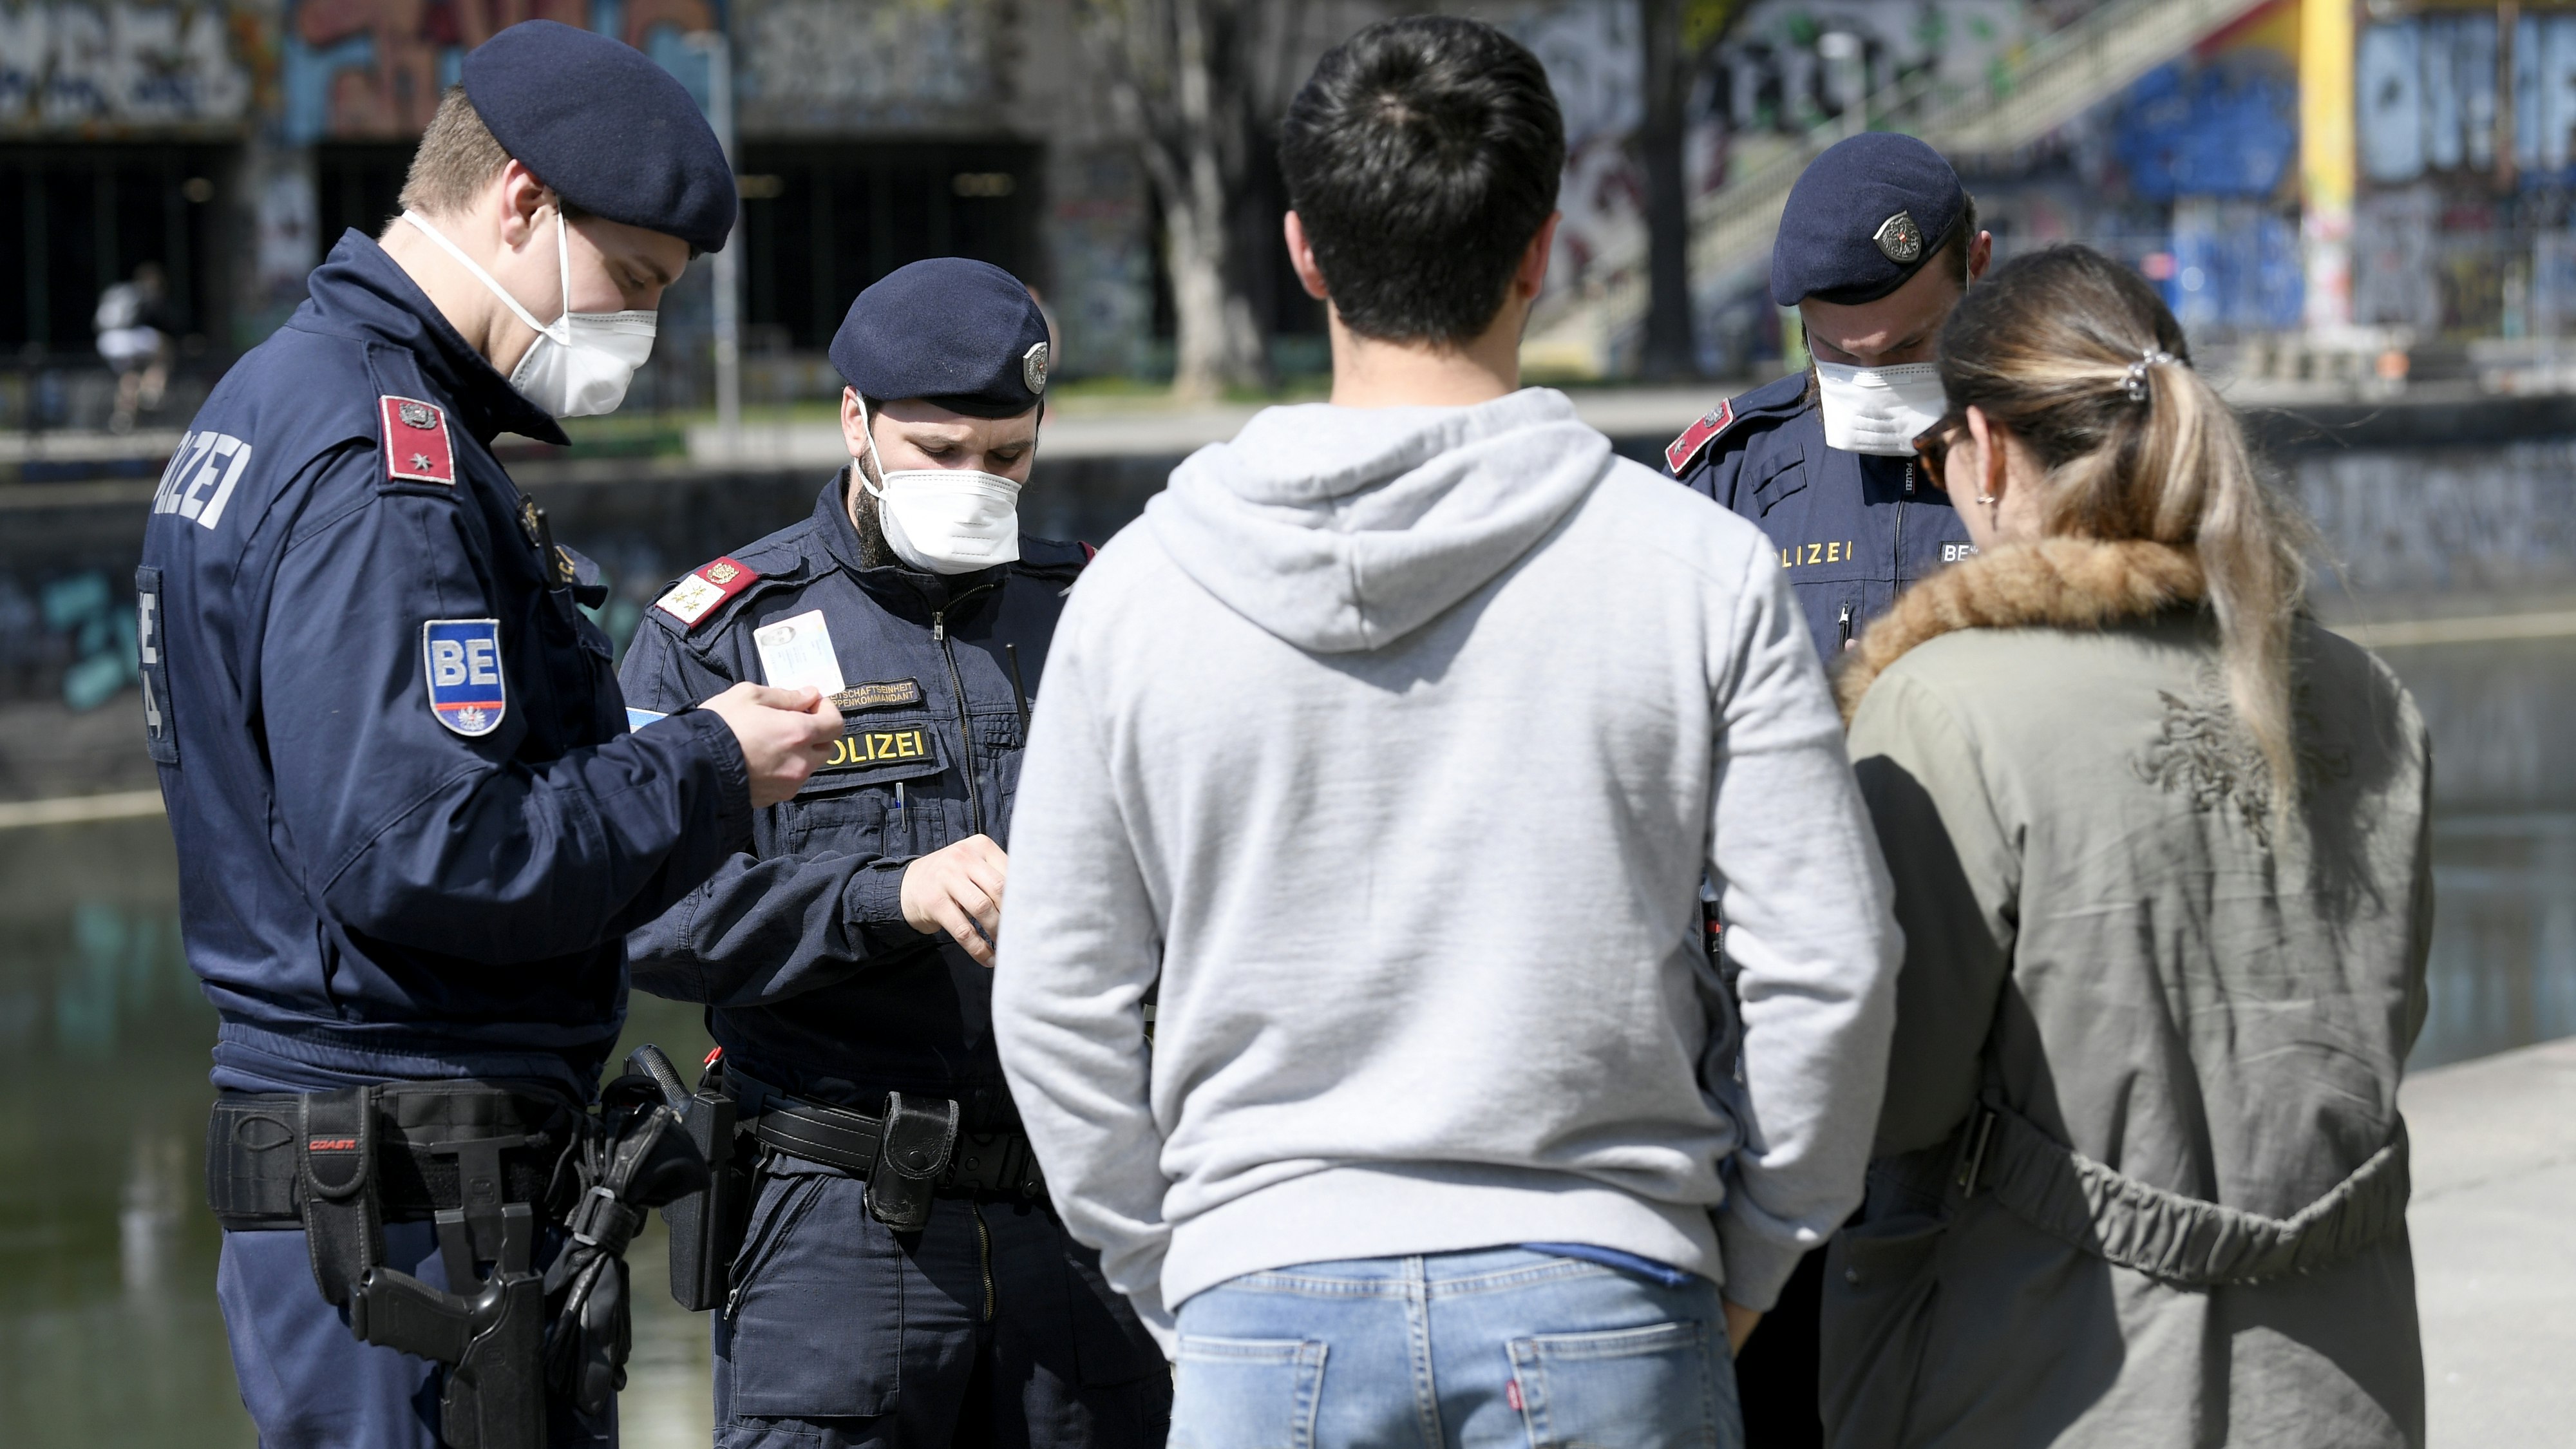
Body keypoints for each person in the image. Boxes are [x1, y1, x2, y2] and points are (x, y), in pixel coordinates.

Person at [990, 17, 1902, 1449]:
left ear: (1301, 250)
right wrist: (1755, 1251)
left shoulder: (1137, 593)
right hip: (1610, 1290)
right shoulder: (1694, 569)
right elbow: (1829, 969)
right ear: (1541, 247)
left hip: (1258, 1299)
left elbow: (1053, 1000)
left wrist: (1177, 1275)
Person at [144, 21, 842, 1449]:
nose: (639, 334)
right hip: (400, 1199)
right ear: (520, 200)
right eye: (634, 284)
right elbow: (426, 848)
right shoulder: (381, 469)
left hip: (380, 1176)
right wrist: (704, 765)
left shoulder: (282, 398)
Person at [1822, 245, 2430, 1448]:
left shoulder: (1946, 706)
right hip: (2344, 1380)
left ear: (1987, 450)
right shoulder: (2367, 696)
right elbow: (2379, 1028)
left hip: (2057, 1377)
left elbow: (1894, 1100)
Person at [620, 258, 1171, 1449]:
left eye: (1006, 456)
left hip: (1082, 1213)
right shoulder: (729, 637)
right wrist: (889, 896)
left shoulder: (1101, 612)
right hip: (836, 1223)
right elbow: (644, 916)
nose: (975, 483)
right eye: (937, 450)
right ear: (855, 422)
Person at [1665, 131, 1986, 662]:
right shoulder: (1730, 473)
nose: (1874, 380)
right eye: (1836, 352)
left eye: (1909, 345)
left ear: (1979, 268)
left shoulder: (2057, 462)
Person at [97, 261, 175, 433]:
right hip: (127, 337)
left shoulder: (117, 290)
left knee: (129, 375)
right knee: (164, 345)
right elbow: (161, 319)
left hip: (106, 342)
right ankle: (152, 390)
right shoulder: (143, 291)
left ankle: (123, 416)